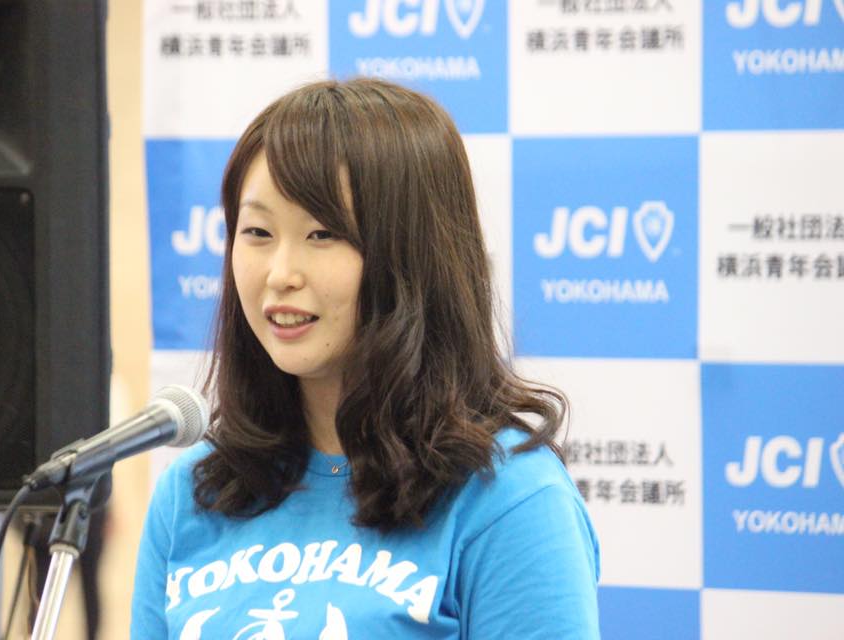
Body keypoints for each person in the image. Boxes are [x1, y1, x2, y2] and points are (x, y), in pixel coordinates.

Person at [131, 78, 600, 639]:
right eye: (257, 232)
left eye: (322, 233)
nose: (280, 274)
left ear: (414, 256)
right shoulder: (191, 493)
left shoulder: (509, 498)